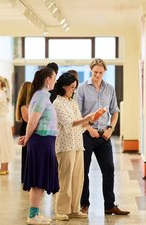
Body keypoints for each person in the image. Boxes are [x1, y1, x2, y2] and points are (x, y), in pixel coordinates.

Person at [75, 58, 130, 215]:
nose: (97, 75)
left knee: (109, 169)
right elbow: (77, 112)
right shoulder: (82, 88)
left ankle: (109, 205)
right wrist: (87, 128)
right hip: (86, 135)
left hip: (104, 136)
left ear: (104, 71)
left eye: (100, 72)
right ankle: (84, 204)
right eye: (95, 72)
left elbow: (114, 110)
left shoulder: (110, 88)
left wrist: (111, 129)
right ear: (91, 70)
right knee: (83, 171)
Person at [53, 72, 95, 221]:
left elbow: (80, 123)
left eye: (74, 87)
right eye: (71, 87)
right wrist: (85, 119)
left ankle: (74, 208)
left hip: (78, 144)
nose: (73, 90)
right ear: (63, 86)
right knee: (65, 179)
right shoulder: (58, 103)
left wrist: (91, 119)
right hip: (65, 145)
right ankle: (61, 210)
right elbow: (69, 123)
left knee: (78, 178)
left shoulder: (73, 102)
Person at [19, 67, 59, 225]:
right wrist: (27, 139)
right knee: (38, 180)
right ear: (48, 79)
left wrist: (27, 137)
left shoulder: (42, 95)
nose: (55, 79)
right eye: (54, 77)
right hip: (41, 141)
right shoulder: (41, 96)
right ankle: (32, 215)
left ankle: (35, 213)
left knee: (40, 179)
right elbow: (32, 121)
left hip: (44, 141)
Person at [15, 81, 32, 183]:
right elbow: (27, 119)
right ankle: (25, 178)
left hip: (29, 128)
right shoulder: (23, 105)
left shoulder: (30, 104)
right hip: (25, 129)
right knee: (26, 154)